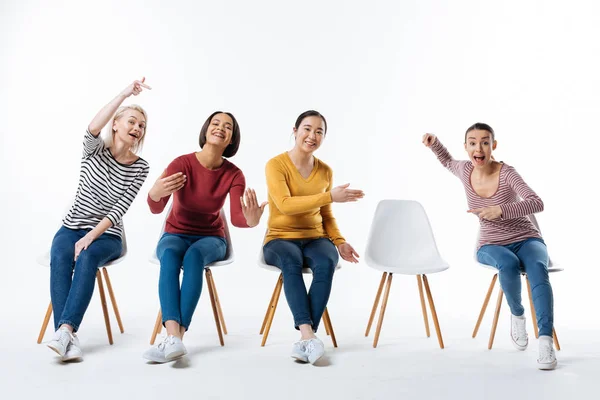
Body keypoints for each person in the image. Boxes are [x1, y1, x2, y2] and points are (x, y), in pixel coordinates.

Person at [423, 123, 557, 370]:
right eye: (472, 143)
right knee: (507, 264)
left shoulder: (507, 173)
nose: (479, 148)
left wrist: (501, 210)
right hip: (491, 243)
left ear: (493, 146)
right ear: (466, 147)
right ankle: (517, 316)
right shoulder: (464, 170)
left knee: (538, 268)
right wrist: (434, 143)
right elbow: (447, 161)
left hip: (527, 238)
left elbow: (537, 202)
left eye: (485, 142)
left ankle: (545, 340)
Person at [143, 111, 266, 363]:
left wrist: (252, 221)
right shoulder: (182, 163)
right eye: (215, 123)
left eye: (228, 127)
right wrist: (154, 192)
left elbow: (236, 218)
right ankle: (172, 337)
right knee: (169, 256)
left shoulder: (233, 174)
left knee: (194, 256)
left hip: (211, 239)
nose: (220, 128)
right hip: (175, 233)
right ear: (206, 129)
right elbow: (156, 207)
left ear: (232, 139)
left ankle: (177, 338)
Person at [48, 78, 151, 361]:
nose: (137, 128)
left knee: (87, 256)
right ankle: (66, 335)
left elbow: (118, 210)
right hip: (71, 226)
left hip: (107, 236)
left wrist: (91, 236)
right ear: (115, 124)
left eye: (141, 126)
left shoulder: (141, 168)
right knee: (60, 254)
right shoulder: (93, 149)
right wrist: (125, 94)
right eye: (131, 121)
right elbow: (94, 125)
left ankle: (65, 330)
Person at [263, 110, 364, 365]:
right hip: (280, 238)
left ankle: (307, 340)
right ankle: (308, 336)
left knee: (326, 262)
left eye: (319, 131)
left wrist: (339, 241)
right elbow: (285, 205)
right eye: (307, 129)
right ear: (295, 130)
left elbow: (326, 214)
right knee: (291, 262)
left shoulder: (325, 171)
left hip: (315, 237)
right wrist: (329, 196)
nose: (312, 136)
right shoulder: (276, 165)